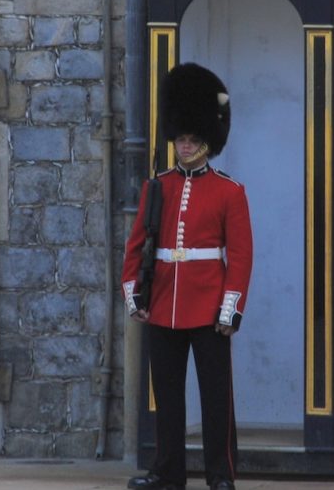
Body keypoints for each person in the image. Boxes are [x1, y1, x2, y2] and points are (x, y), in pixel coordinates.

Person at [121, 63, 253, 490]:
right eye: (181, 139)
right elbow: (137, 245)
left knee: (216, 398)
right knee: (167, 398)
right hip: (163, 303)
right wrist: (134, 297)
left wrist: (229, 309)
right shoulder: (157, 186)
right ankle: (168, 473)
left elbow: (240, 255)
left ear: (207, 142)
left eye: (194, 139)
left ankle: (221, 475)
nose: (186, 146)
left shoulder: (229, 191)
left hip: (208, 303)